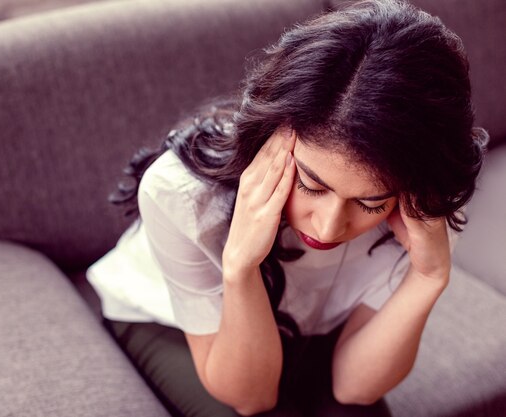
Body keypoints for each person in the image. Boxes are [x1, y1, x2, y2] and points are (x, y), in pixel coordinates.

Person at [87, 0, 488, 416]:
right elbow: (251, 398)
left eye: (370, 203)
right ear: (272, 134)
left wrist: (429, 276)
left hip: (312, 326)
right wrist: (241, 265)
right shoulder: (182, 194)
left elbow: (355, 388)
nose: (330, 227)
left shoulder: (424, 199)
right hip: (166, 319)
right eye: (310, 185)